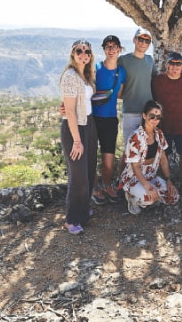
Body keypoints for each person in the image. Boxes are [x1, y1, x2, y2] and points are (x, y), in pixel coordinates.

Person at [60, 39, 98, 235]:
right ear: (73, 53)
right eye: (79, 51)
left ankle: (83, 211)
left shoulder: (86, 75)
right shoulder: (70, 76)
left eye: (87, 52)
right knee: (79, 175)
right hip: (75, 129)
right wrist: (77, 140)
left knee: (89, 170)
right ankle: (72, 219)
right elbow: (70, 112)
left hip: (89, 124)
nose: (83, 54)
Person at [120, 100, 179, 215]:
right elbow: (135, 167)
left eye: (158, 117)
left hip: (150, 176)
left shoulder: (159, 134)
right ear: (144, 116)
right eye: (152, 116)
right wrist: (147, 186)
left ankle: (151, 195)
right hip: (134, 178)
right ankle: (132, 197)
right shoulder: (135, 137)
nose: (155, 120)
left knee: (173, 197)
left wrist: (168, 180)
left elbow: (163, 160)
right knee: (149, 198)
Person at [117, 28, 158, 176]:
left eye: (147, 40)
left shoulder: (149, 60)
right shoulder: (123, 60)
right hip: (131, 111)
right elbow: (114, 80)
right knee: (129, 149)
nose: (143, 43)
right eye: (140, 39)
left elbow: (157, 79)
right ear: (134, 40)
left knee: (145, 148)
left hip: (148, 115)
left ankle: (140, 180)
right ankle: (120, 181)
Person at [91, 35, 126, 205]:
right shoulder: (96, 68)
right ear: (104, 49)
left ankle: (106, 185)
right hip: (93, 117)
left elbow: (120, 94)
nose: (111, 50)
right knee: (91, 155)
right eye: (108, 46)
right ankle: (94, 188)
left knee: (108, 158)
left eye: (114, 46)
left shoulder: (122, 72)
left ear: (119, 49)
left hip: (110, 119)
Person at [151, 52, 182, 191]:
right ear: (166, 65)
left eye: (178, 64)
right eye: (172, 63)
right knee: (164, 155)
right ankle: (166, 181)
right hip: (164, 126)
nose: (175, 67)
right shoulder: (157, 81)